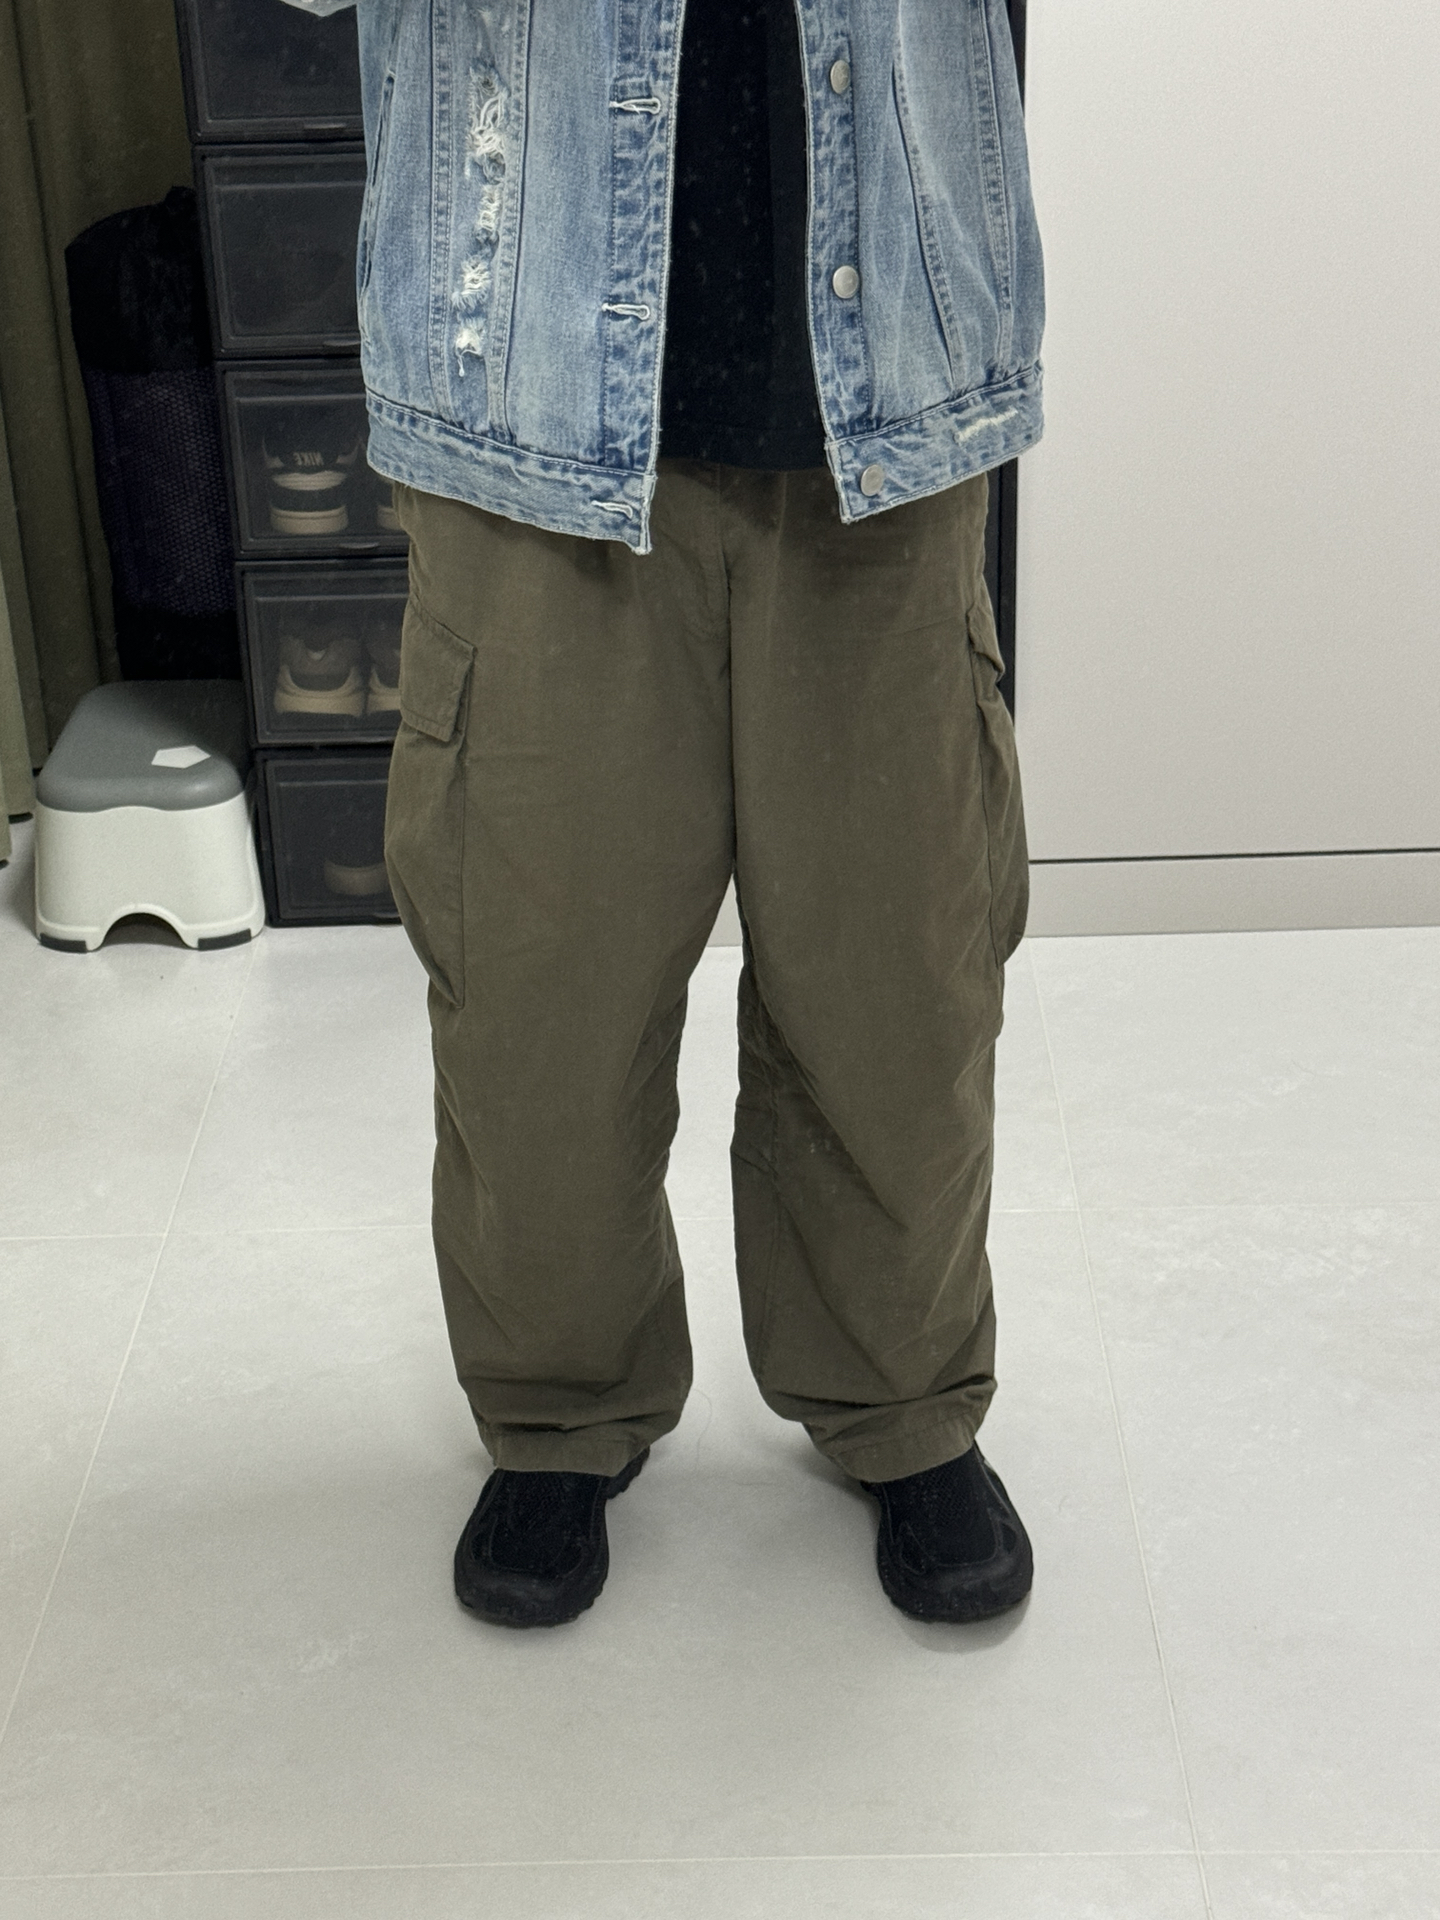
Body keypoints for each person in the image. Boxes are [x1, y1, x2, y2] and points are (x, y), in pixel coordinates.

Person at [296, 0, 1045, 1628]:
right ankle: (561, 1409)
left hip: (890, 370)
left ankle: (904, 1397)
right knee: (537, 1000)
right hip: (526, 388)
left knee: (901, 984)